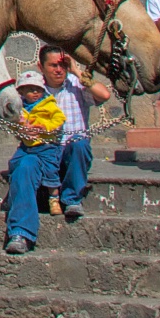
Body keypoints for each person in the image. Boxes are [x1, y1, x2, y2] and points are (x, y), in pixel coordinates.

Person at [39, 45, 111, 220]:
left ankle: (72, 200)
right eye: (53, 65)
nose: (58, 70)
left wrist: (77, 72)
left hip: (71, 151)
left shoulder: (76, 84)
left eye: (62, 65)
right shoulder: (35, 89)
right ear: (41, 67)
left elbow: (104, 95)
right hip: (47, 151)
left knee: (80, 144)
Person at [2, 70, 67, 255]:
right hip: (26, 148)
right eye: (29, 90)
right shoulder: (21, 109)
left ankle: (21, 232)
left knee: (29, 167)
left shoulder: (48, 105)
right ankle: (18, 217)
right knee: (18, 164)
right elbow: (14, 126)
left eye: (37, 89)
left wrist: (44, 127)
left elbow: (59, 120)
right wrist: (23, 129)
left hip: (46, 147)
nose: (34, 93)